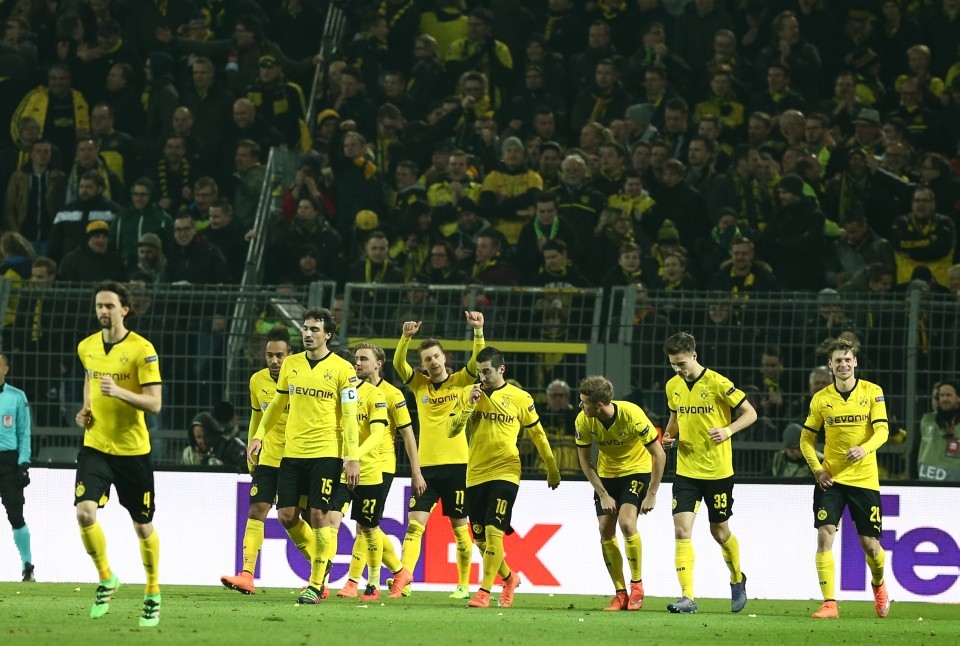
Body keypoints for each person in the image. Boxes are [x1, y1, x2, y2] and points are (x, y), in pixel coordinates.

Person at [247, 307, 359, 605]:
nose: (308, 334)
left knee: (319, 514)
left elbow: (350, 417)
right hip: (292, 453)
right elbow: (276, 404)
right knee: (286, 515)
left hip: (326, 453)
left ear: (328, 335)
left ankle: (316, 583)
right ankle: (322, 565)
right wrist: (259, 435)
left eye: (314, 330)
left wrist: (352, 456)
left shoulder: (343, 370)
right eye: (305, 329)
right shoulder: (291, 364)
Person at [73, 281, 163, 627]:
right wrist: (86, 408)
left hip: (132, 451)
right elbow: (90, 378)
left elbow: (155, 404)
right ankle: (106, 577)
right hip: (96, 445)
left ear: (125, 309)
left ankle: (152, 592)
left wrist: (120, 392)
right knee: (84, 513)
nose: (103, 311)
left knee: (142, 525)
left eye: (109, 305)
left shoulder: (142, 350)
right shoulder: (87, 346)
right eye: (99, 305)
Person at [447, 346, 560, 608]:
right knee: (480, 540)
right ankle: (509, 578)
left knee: (493, 530)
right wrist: (469, 404)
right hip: (475, 474)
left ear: (501, 369)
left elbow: (538, 434)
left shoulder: (520, 397)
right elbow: (451, 430)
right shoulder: (468, 393)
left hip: (506, 470)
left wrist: (552, 467)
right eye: (479, 372)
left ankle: (484, 592)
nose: (483, 377)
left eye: (487, 371)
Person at [387, 311, 486, 599]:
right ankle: (404, 580)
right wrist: (405, 338)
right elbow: (398, 364)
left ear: (444, 358)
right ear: (423, 364)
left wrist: (478, 331)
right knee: (414, 526)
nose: (433, 362)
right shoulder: (419, 384)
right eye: (427, 359)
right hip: (426, 469)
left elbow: (477, 359)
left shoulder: (461, 380)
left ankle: (463, 584)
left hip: (458, 466)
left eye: (436, 356)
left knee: (460, 528)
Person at [661, 331, 757, 614]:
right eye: (673, 365)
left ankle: (737, 578)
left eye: (682, 364)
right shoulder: (673, 386)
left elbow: (750, 413)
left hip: (717, 472)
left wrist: (728, 430)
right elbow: (675, 416)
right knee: (682, 530)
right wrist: (669, 436)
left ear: (694, 355)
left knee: (720, 532)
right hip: (686, 470)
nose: (678, 369)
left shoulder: (718, 383)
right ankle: (687, 597)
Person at [799, 337, 890, 620]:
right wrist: (817, 469)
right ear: (830, 364)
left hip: (864, 480)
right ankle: (829, 603)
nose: (843, 364)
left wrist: (864, 449)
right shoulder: (821, 398)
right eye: (838, 360)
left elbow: (883, 432)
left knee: (870, 546)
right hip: (831, 480)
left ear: (855, 362)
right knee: (824, 534)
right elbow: (805, 440)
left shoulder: (872, 392)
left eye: (847, 359)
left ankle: (878, 583)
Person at [222, 327, 318, 594]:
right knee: (257, 510)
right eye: (269, 356)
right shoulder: (257, 381)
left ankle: (319, 571)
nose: (274, 361)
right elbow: (257, 416)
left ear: (290, 354)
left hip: (298, 459)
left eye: (279, 355)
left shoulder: (302, 379)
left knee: (294, 517)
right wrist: (253, 446)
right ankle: (247, 574)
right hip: (268, 458)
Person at [337, 342, 423, 599]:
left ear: (378, 364)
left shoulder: (392, 394)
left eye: (363, 358)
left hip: (381, 465)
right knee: (365, 525)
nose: (357, 362)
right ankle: (395, 572)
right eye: (356, 358)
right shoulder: (348, 390)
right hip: (351, 463)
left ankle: (356, 582)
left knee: (365, 525)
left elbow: (408, 435)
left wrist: (416, 471)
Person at [575, 376, 665, 612]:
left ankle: (637, 585)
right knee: (605, 529)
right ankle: (620, 593)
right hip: (606, 475)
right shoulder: (583, 420)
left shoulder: (632, 414)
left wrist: (652, 493)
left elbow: (659, 454)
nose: (580, 405)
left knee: (626, 523)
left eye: (584, 402)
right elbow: (585, 462)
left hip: (636, 471)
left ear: (599, 405)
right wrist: (603, 493)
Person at [325, 348, 388, 600]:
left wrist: (354, 456)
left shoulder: (374, 394)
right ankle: (321, 582)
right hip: (339, 471)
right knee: (331, 521)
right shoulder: (332, 394)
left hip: (368, 471)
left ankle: (373, 583)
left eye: (362, 360)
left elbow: (378, 434)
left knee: (368, 528)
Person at [0, 353, 34, 582]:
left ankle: (27, 564)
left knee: (15, 515)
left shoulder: (16, 396)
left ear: (6, 369)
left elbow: (24, 432)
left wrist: (24, 463)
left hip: (8, 462)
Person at [917, 379, 960, 482]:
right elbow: (915, 451)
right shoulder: (927, 421)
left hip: (955, 487)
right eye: (941, 395)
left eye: (948, 395)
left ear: (958, 398)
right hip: (926, 484)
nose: (944, 399)